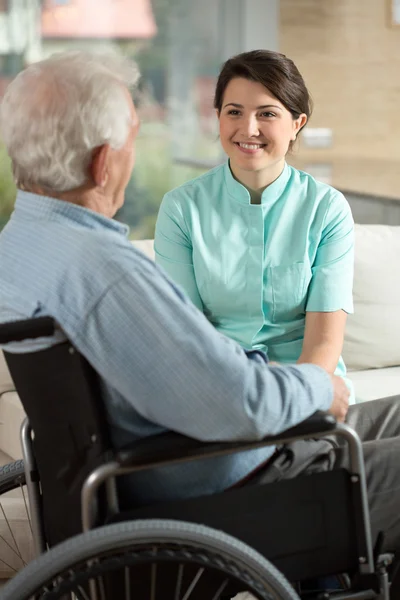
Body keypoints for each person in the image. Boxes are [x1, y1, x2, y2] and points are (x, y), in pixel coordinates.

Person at [0, 52, 400, 583]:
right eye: (133, 141)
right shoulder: (108, 270)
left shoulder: (22, 247)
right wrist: (318, 390)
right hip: (241, 475)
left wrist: (308, 384)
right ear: (103, 162)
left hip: (189, 452)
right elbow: (241, 403)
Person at [154, 50, 354, 400]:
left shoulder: (327, 209)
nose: (249, 129)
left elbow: (324, 343)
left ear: (297, 124)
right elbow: (185, 335)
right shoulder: (181, 209)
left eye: (267, 114)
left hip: (309, 390)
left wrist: (292, 401)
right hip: (221, 389)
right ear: (218, 118)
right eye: (234, 112)